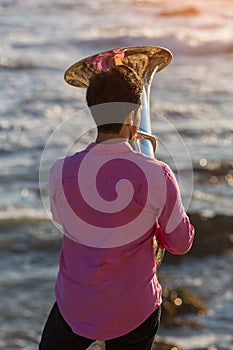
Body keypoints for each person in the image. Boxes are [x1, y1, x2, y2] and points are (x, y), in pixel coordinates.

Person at [39, 66, 194, 350]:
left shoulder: (59, 170)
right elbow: (181, 244)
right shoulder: (158, 174)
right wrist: (156, 229)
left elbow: (64, 220)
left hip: (77, 305)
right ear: (132, 117)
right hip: (133, 310)